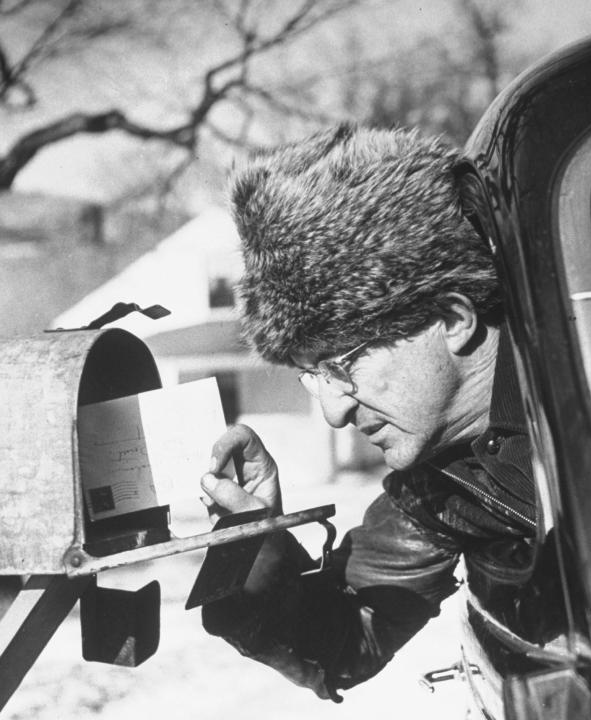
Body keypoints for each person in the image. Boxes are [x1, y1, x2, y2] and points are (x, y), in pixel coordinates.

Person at [198, 123, 537, 702]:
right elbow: (341, 644)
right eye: (313, 377)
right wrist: (259, 545)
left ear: (453, 318)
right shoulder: (440, 487)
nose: (332, 413)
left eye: (341, 365)